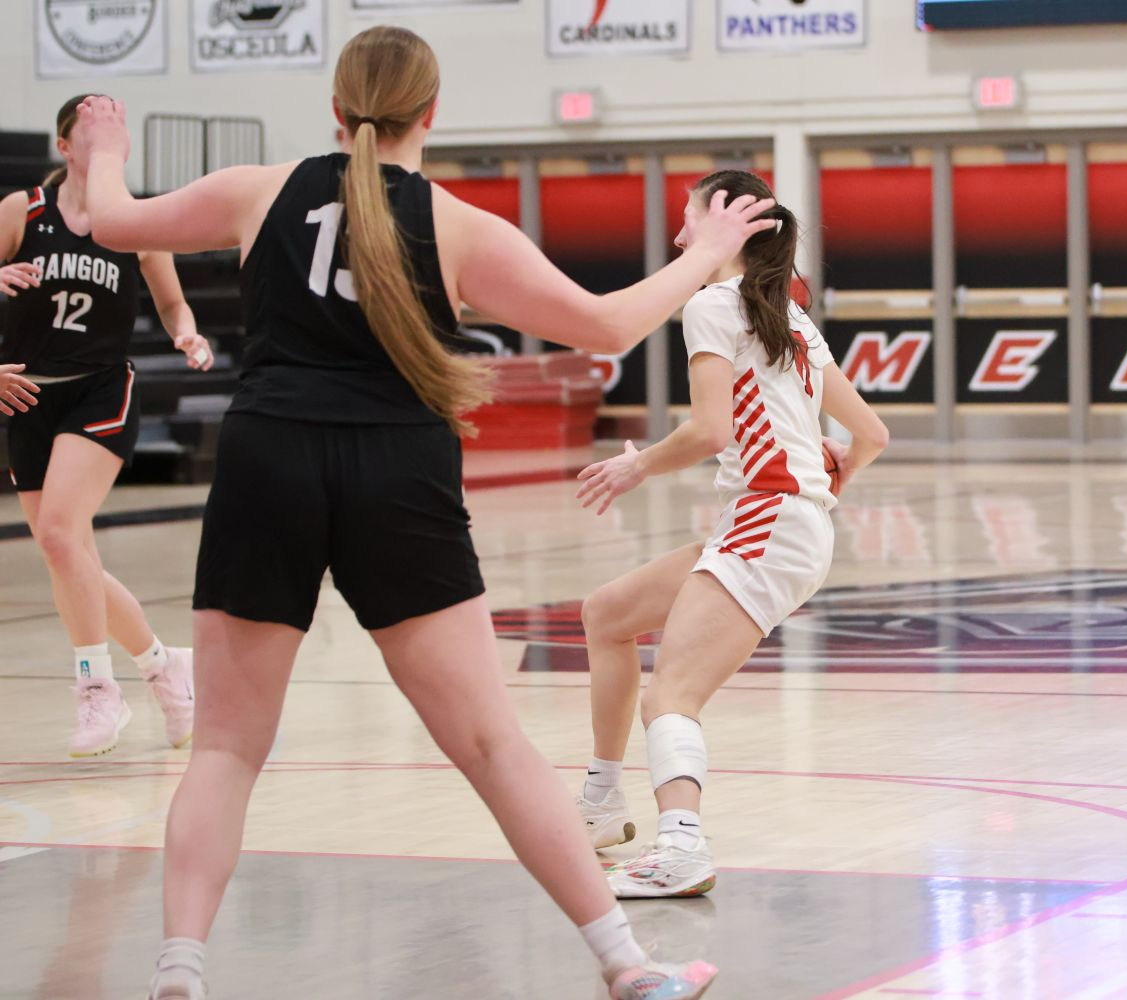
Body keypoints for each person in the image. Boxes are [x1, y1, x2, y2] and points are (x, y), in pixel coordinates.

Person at [71, 25, 773, 1000]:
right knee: (491, 744)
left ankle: (179, 974)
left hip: (270, 456)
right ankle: (628, 967)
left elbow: (109, 222)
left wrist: (103, 145)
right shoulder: (458, 226)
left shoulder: (258, 190)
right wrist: (715, 252)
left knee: (226, 749)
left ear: (335, 107)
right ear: (432, 113)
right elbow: (609, 323)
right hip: (397, 470)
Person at [572, 170, 889, 898]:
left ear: (722, 225)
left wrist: (636, 466)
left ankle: (681, 848)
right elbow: (871, 434)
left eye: (687, 218)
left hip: (769, 519)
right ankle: (599, 803)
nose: (679, 234)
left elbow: (710, 430)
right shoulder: (789, 316)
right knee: (607, 613)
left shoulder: (712, 303)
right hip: (781, 521)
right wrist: (834, 471)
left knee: (671, 695)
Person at [0, 95, 210, 758]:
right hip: (27, 395)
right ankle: (164, 667)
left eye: (115, 128)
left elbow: (173, 304)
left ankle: (97, 688)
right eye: (93, 128)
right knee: (70, 555)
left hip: (100, 390)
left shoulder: (134, 221)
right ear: (66, 145)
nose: (107, 137)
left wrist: (187, 334)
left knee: (61, 535)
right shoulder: (21, 210)